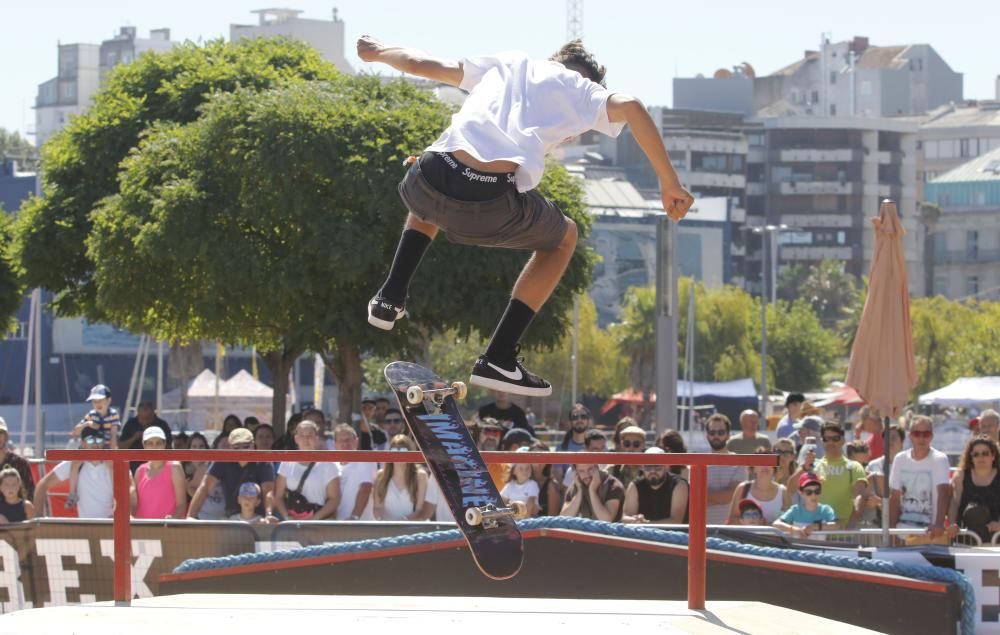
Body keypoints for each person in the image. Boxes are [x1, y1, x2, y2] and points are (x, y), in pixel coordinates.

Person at [358, 35, 692, 396]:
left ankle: (390, 295)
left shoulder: (507, 63)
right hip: (484, 201)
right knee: (565, 236)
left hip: (425, 177)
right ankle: (499, 357)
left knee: (435, 193)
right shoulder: (580, 90)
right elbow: (632, 106)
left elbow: (420, 63)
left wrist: (377, 53)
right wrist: (669, 183)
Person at [187, 428, 275, 521]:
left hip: (258, 517)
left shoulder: (264, 461)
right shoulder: (222, 460)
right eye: (237, 447)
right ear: (229, 447)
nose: (242, 451)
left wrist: (268, 515)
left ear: (253, 445)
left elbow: (268, 492)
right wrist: (190, 517)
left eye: (246, 446)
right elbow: (204, 487)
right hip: (232, 517)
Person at [889, 415, 951, 537]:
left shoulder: (940, 459)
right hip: (902, 532)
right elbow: (894, 497)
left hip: (930, 533)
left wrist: (938, 524)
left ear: (931, 436)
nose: (921, 438)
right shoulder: (900, 459)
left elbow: (944, 493)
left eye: (926, 434)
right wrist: (891, 531)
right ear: (910, 436)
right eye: (917, 434)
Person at [34, 428, 113, 518]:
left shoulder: (114, 464)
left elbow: (130, 491)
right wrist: (38, 519)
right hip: (86, 528)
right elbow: (42, 485)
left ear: (103, 443)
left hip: (113, 526)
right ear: (82, 444)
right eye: (90, 440)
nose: (95, 444)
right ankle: (72, 496)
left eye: (99, 440)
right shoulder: (74, 463)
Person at [274, 421, 341, 521]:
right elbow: (278, 496)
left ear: (317, 438)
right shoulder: (287, 462)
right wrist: (288, 518)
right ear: (296, 439)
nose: (306, 439)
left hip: (318, 524)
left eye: (310, 435)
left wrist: (314, 520)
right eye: (302, 435)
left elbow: (334, 499)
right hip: (292, 524)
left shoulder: (329, 464)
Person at [66, 384, 120, 508]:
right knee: (75, 463)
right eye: (94, 401)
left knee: (111, 466)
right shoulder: (90, 414)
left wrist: (113, 452)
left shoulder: (113, 414)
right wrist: (88, 424)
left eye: (100, 400)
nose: (97, 403)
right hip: (88, 446)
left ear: (109, 400)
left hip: (105, 446)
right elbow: (76, 431)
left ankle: (115, 496)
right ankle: (72, 494)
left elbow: (113, 435)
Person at [813, 421, 867, 528]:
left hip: (843, 534)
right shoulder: (814, 465)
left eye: (835, 438)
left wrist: (850, 526)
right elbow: (792, 489)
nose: (830, 442)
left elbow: (859, 498)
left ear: (843, 440)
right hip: (817, 532)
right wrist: (804, 467)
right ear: (822, 441)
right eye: (826, 439)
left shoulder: (854, 467)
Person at [948, 435, 1000, 542]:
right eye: (976, 454)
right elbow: (955, 502)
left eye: (985, 453)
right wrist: (953, 523)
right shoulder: (961, 476)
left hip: (996, 537)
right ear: (970, 458)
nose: (980, 458)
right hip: (966, 536)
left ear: (993, 456)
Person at [130, 427, 187, 519]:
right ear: (144, 446)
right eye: (150, 443)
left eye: (158, 443)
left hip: (166, 530)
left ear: (164, 444)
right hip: (142, 529)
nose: (154, 447)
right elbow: (134, 504)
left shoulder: (175, 468)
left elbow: (181, 505)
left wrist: (172, 519)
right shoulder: (139, 471)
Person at [622, 447, 688, 524]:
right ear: (642, 467)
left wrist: (646, 524)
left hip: (674, 534)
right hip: (641, 533)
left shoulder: (678, 484)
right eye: (648, 467)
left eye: (657, 466)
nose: (653, 471)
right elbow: (626, 517)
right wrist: (635, 519)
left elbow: (676, 521)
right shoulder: (635, 485)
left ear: (666, 466)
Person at [727, 447, 790, 525]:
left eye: (769, 463)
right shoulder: (743, 488)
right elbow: (731, 521)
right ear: (753, 468)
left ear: (774, 468)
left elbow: (789, 522)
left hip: (774, 537)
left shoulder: (783, 491)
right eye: (761, 463)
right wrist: (755, 524)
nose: (765, 466)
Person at [373, 435, 427, 521]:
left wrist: (403, 522)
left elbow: (419, 510)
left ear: (410, 452)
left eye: (402, 450)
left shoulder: (420, 476)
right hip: (387, 529)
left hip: (412, 529)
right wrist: (382, 522)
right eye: (394, 450)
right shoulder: (381, 476)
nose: (398, 454)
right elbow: (377, 507)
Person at [704, 414, 744, 525]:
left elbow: (731, 496)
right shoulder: (699, 463)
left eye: (721, 432)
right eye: (712, 433)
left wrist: (707, 497)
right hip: (703, 529)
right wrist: (721, 497)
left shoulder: (738, 462)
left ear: (728, 435)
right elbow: (695, 498)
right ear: (707, 436)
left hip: (731, 530)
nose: (716, 436)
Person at [773, 473, 838, 538]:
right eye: (808, 492)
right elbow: (776, 524)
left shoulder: (826, 509)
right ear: (801, 493)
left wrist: (814, 526)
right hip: (798, 548)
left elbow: (837, 525)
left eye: (817, 491)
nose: (813, 495)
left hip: (820, 548)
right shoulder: (795, 510)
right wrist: (796, 530)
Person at [332, 424, 375, 520]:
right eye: (341, 440)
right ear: (334, 444)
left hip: (360, 526)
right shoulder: (332, 465)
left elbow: (365, 489)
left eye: (348, 440)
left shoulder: (364, 460)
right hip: (336, 526)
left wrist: (354, 517)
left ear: (356, 441)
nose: (345, 444)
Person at [560, 462, 625, 522]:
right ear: (576, 473)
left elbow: (606, 520)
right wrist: (579, 492)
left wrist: (592, 491)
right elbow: (563, 518)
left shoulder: (613, 485)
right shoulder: (576, 486)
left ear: (597, 467)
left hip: (609, 533)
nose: (587, 475)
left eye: (590, 469)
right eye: (581, 471)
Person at [119, 401, 172, 472]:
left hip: (158, 468)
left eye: (148, 418)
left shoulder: (162, 425)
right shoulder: (130, 424)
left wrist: (156, 441)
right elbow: (120, 447)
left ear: (153, 414)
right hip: (133, 467)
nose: (145, 421)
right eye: (141, 418)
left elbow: (169, 448)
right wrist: (134, 438)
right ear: (138, 415)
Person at [0, 417, 34, 499]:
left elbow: (29, 495)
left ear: (6, 436)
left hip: (14, 511)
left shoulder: (20, 463)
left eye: (0, 433)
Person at [610, 425, 646, 489]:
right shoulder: (612, 469)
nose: (631, 448)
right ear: (622, 444)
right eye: (627, 443)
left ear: (643, 445)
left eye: (636, 444)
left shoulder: (649, 469)